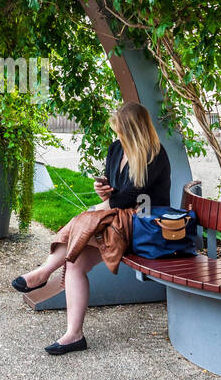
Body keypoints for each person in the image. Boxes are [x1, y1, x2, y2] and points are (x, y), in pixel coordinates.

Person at [12, 102, 170, 355]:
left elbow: (134, 195)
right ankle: (74, 335)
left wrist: (104, 203)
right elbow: (114, 188)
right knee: (74, 262)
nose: (117, 135)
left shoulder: (154, 154)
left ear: (133, 130)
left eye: (120, 130)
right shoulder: (116, 149)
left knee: (87, 218)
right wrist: (103, 190)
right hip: (114, 218)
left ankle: (43, 273)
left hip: (143, 224)